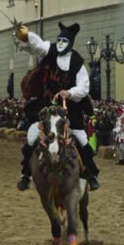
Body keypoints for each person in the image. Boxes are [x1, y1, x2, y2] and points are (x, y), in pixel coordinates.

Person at [15, 22, 100, 191]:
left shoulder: (78, 63)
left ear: (70, 43)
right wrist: (27, 35)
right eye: (59, 40)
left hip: (70, 110)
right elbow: (39, 46)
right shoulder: (51, 50)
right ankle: (26, 174)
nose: (60, 43)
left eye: (64, 41)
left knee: (82, 141)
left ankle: (91, 175)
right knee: (32, 138)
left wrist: (69, 93)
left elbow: (84, 87)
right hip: (48, 107)